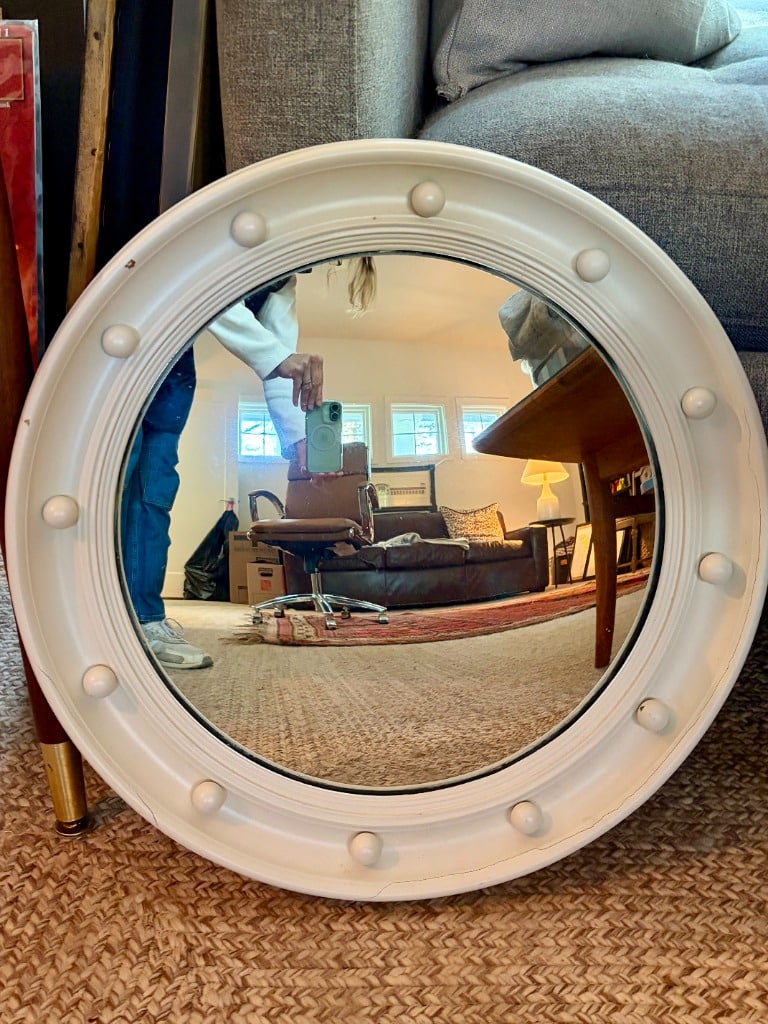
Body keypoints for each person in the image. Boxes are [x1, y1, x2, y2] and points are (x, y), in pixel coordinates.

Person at [121, 276, 323, 670]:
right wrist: (277, 357)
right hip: (129, 337)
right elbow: (206, 283)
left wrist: (298, 440)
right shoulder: (247, 247)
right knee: (112, 484)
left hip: (173, 364)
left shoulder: (284, 282)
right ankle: (93, 612)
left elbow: (279, 363)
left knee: (154, 492)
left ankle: (145, 620)